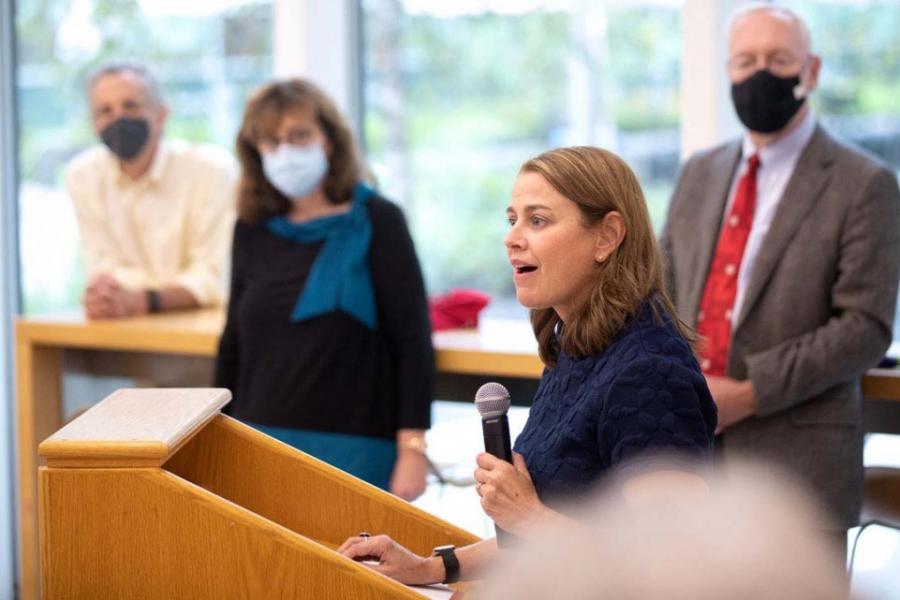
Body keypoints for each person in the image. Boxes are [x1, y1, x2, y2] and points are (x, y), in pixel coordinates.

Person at [338, 146, 717, 585]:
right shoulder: (578, 347)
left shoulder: (649, 371)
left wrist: (528, 516)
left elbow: (671, 560)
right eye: (512, 220)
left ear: (607, 236)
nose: (513, 238)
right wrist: (432, 567)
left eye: (537, 221)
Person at [660, 3, 900, 554]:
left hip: (799, 470)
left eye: (778, 59)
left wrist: (748, 394)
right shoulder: (698, 172)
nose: (760, 73)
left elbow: (865, 326)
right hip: (686, 458)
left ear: (811, 71)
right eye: (745, 61)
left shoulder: (865, 183)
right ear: (728, 71)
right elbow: (660, 292)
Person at [213, 78, 433, 501]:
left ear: (329, 141)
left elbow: (413, 341)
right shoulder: (251, 227)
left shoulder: (379, 219)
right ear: (256, 151)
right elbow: (233, 342)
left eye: (299, 136)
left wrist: (413, 449)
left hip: (357, 448)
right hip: (257, 440)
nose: (285, 152)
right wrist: (216, 435)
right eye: (271, 141)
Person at [476, 458, 848, 600]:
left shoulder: (646, 370)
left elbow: (644, 558)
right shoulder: (565, 359)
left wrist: (531, 518)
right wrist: (446, 565)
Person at [66, 63, 238, 318]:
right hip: (124, 329)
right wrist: (128, 296)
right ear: (93, 123)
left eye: (130, 106)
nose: (118, 118)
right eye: (105, 111)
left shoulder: (212, 171)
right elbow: (103, 269)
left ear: (161, 115)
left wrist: (144, 299)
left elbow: (215, 276)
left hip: (203, 331)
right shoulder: (83, 176)